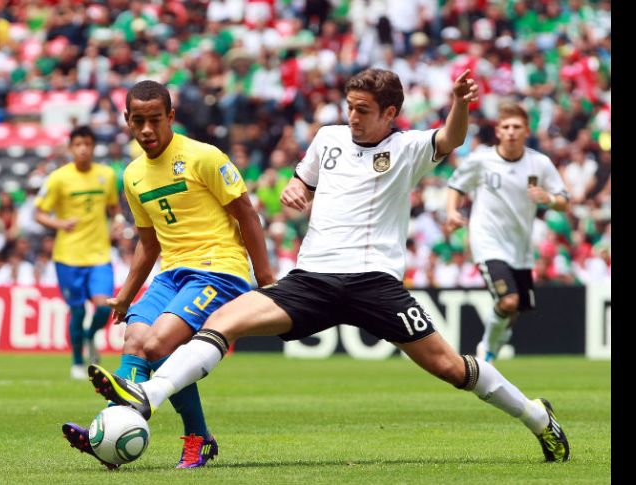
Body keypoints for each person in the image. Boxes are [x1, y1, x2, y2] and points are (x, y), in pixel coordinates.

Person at [86, 69, 570, 464]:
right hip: (312, 278)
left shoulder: (406, 149)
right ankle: (147, 395)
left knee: (451, 367)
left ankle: (535, 417)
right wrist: (299, 189)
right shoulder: (327, 140)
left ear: (390, 114)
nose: (353, 118)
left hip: (375, 283)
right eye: (350, 108)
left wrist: (460, 104)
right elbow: (305, 181)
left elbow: (451, 136)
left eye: (363, 110)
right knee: (219, 323)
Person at [61, 81, 274, 469]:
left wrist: (266, 279)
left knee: (160, 345)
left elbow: (246, 213)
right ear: (126, 120)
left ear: (170, 117)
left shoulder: (203, 156)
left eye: (155, 120)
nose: (147, 130)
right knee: (135, 340)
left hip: (219, 270)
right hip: (172, 272)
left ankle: (183, 437)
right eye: (138, 121)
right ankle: (113, 434)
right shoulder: (132, 175)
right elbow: (148, 242)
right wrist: (126, 294)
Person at [445, 102, 569, 363]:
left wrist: (548, 198)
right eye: (506, 127)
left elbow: (564, 200)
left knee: (513, 310)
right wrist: (452, 212)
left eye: (517, 127)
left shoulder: (540, 163)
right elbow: (455, 185)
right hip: (487, 241)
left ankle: (496, 343)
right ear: (498, 131)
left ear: (526, 130)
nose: (511, 131)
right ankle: (485, 352)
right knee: (509, 300)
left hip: (520, 248)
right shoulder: (481, 160)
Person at [35, 126, 121, 380]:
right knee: (78, 311)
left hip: (99, 255)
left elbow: (114, 208)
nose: (83, 149)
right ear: (71, 148)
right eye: (78, 144)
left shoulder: (106, 175)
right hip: (68, 256)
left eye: (88, 144)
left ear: (94, 147)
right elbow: (38, 213)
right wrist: (59, 224)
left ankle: (90, 335)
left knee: (104, 308)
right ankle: (76, 361)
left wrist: (116, 220)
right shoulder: (59, 178)